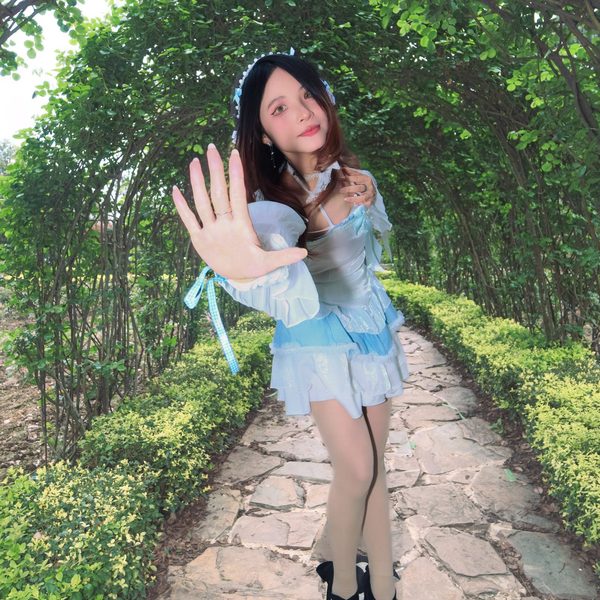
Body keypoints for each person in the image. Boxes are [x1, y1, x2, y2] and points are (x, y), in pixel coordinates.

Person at [172, 50, 410, 600]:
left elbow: (378, 245)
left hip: (370, 325)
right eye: (279, 107)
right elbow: (269, 273)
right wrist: (240, 269)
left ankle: (381, 580)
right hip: (317, 338)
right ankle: (343, 586)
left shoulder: (357, 179)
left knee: (374, 469)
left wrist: (372, 200)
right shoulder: (267, 206)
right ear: (261, 132)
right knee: (357, 469)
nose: (302, 111)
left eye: (307, 95)